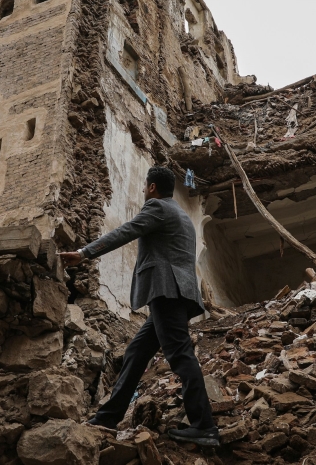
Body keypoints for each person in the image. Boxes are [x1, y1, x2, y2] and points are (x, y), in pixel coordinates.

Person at [58, 166, 219, 447]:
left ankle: (204, 426)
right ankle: (109, 416)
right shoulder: (179, 213)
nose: (145, 190)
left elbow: (126, 231)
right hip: (177, 291)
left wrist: (84, 253)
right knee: (137, 351)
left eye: (146, 186)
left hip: (166, 289)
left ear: (152, 187)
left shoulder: (157, 207)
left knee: (180, 354)